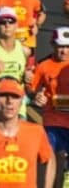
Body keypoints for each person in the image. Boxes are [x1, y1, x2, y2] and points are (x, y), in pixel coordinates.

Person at [30, 27, 69, 184]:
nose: (64, 51)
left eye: (68, 47)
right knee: (50, 154)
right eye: (61, 46)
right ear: (53, 45)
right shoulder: (43, 66)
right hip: (53, 120)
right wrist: (36, 97)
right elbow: (31, 89)